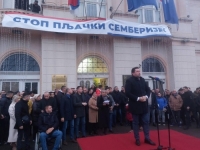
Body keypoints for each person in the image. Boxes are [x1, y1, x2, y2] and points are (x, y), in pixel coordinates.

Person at [125, 67, 155, 146]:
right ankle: (137, 139)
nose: (139, 72)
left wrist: (146, 97)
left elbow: (148, 90)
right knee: (136, 123)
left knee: (146, 122)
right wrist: (138, 98)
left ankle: (147, 138)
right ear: (133, 73)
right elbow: (127, 93)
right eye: (137, 71)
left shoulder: (142, 80)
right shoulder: (129, 81)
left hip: (144, 105)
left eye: (139, 71)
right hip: (135, 105)